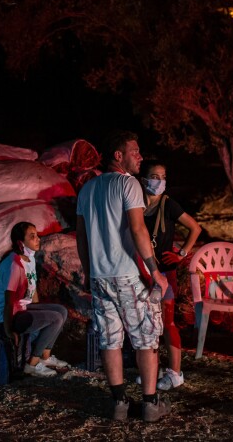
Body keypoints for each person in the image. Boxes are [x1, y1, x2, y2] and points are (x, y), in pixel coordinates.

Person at [76, 130, 170, 423]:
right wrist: (155, 271)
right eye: (135, 151)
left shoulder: (87, 189)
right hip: (128, 275)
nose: (140, 157)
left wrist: (89, 271)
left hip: (100, 277)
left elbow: (81, 237)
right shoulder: (128, 185)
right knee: (145, 339)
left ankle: (119, 404)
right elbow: (138, 230)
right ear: (119, 156)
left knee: (110, 340)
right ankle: (150, 404)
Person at [139, 159, 202, 391]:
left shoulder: (169, 204)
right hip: (141, 271)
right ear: (143, 179)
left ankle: (175, 373)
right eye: (155, 176)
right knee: (146, 322)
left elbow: (195, 228)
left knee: (167, 322)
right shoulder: (135, 205)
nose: (159, 181)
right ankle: (151, 371)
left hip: (165, 271)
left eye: (163, 177)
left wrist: (181, 254)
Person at [0, 221, 70, 377]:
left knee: (61, 311)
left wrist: (40, 314)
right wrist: (8, 330)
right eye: (32, 236)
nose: (38, 239)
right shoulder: (14, 265)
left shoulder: (29, 259)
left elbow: (32, 290)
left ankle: (45, 357)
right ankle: (32, 365)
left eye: (37, 235)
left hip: (21, 309)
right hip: (5, 317)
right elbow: (8, 302)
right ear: (21, 242)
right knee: (55, 318)